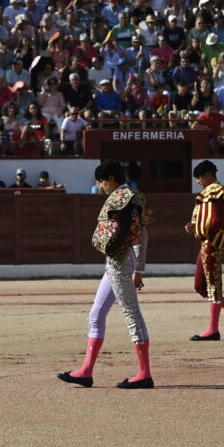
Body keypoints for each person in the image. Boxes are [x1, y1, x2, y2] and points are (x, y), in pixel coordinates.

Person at [57, 159, 154, 390]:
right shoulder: (134, 196)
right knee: (96, 314)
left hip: (119, 261)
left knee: (131, 314)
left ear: (111, 178)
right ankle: (86, 372)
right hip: (117, 262)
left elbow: (122, 231)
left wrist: (111, 247)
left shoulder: (122, 197)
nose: (101, 186)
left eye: (102, 182)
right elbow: (142, 235)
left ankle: (144, 374)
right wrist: (138, 267)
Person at [184, 160, 224, 341]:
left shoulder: (218, 192)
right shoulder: (210, 193)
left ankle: (213, 330)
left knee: (213, 285)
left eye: (200, 178)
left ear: (209, 175)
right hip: (205, 243)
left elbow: (216, 221)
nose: (198, 181)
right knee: (200, 286)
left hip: (213, 243)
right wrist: (194, 227)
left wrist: (201, 230)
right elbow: (208, 220)